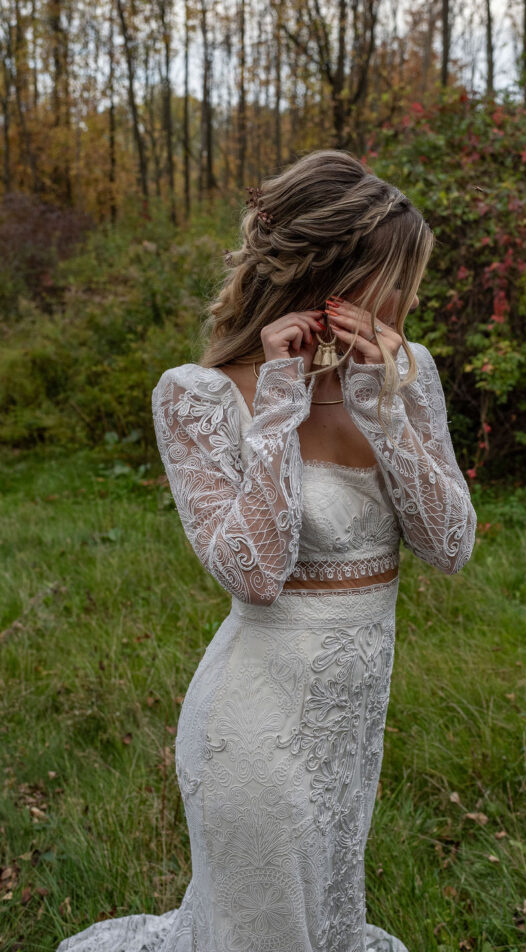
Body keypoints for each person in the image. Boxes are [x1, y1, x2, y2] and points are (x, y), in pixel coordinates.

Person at [56, 149, 477, 952]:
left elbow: (451, 544)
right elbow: (255, 571)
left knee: (325, 925)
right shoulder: (200, 396)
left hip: (351, 731)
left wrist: (385, 409)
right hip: (255, 729)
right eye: (400, 276)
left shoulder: (406, 373)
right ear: (336, 282)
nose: (414, 298)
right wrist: (280, 401)